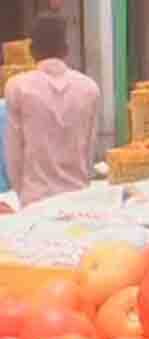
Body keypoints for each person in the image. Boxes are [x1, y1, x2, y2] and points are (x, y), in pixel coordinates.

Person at [4, 15, 101, 207]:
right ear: (66, 50)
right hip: (79, 199)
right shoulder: (89, 88)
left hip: (35, 201)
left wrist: (24, 194)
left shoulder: (17, 87)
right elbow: (89, 150)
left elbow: (14, 155)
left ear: (31, 51)